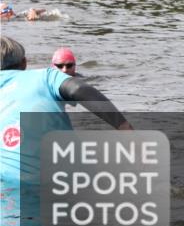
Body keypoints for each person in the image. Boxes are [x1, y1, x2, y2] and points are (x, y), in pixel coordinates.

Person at [1, 36, 132, 186]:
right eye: (60, 66)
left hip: (9, 184)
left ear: (75, 66)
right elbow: (78, 89)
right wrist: (126, 130)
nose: (65, 70)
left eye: (69, 66)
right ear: (24, 63)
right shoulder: (45, 76)